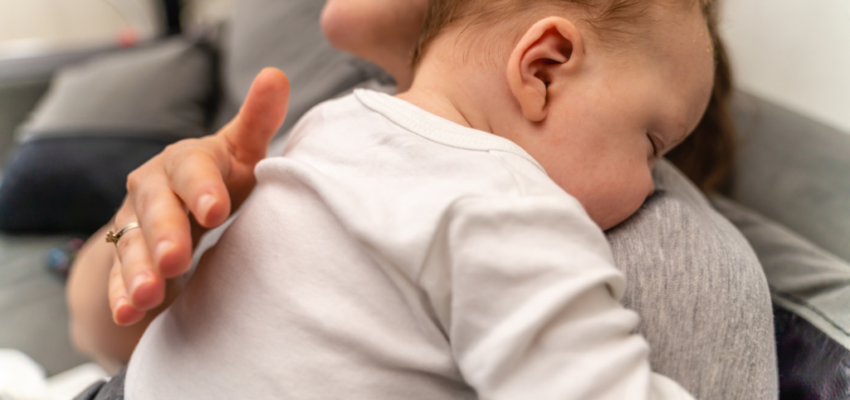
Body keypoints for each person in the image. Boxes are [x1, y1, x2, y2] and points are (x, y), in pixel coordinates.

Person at [70, 0, 777, 398]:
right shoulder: (504, 208)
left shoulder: (336, 124)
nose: (649, 186)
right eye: (649, 145)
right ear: (543, 67)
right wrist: (150, 236)